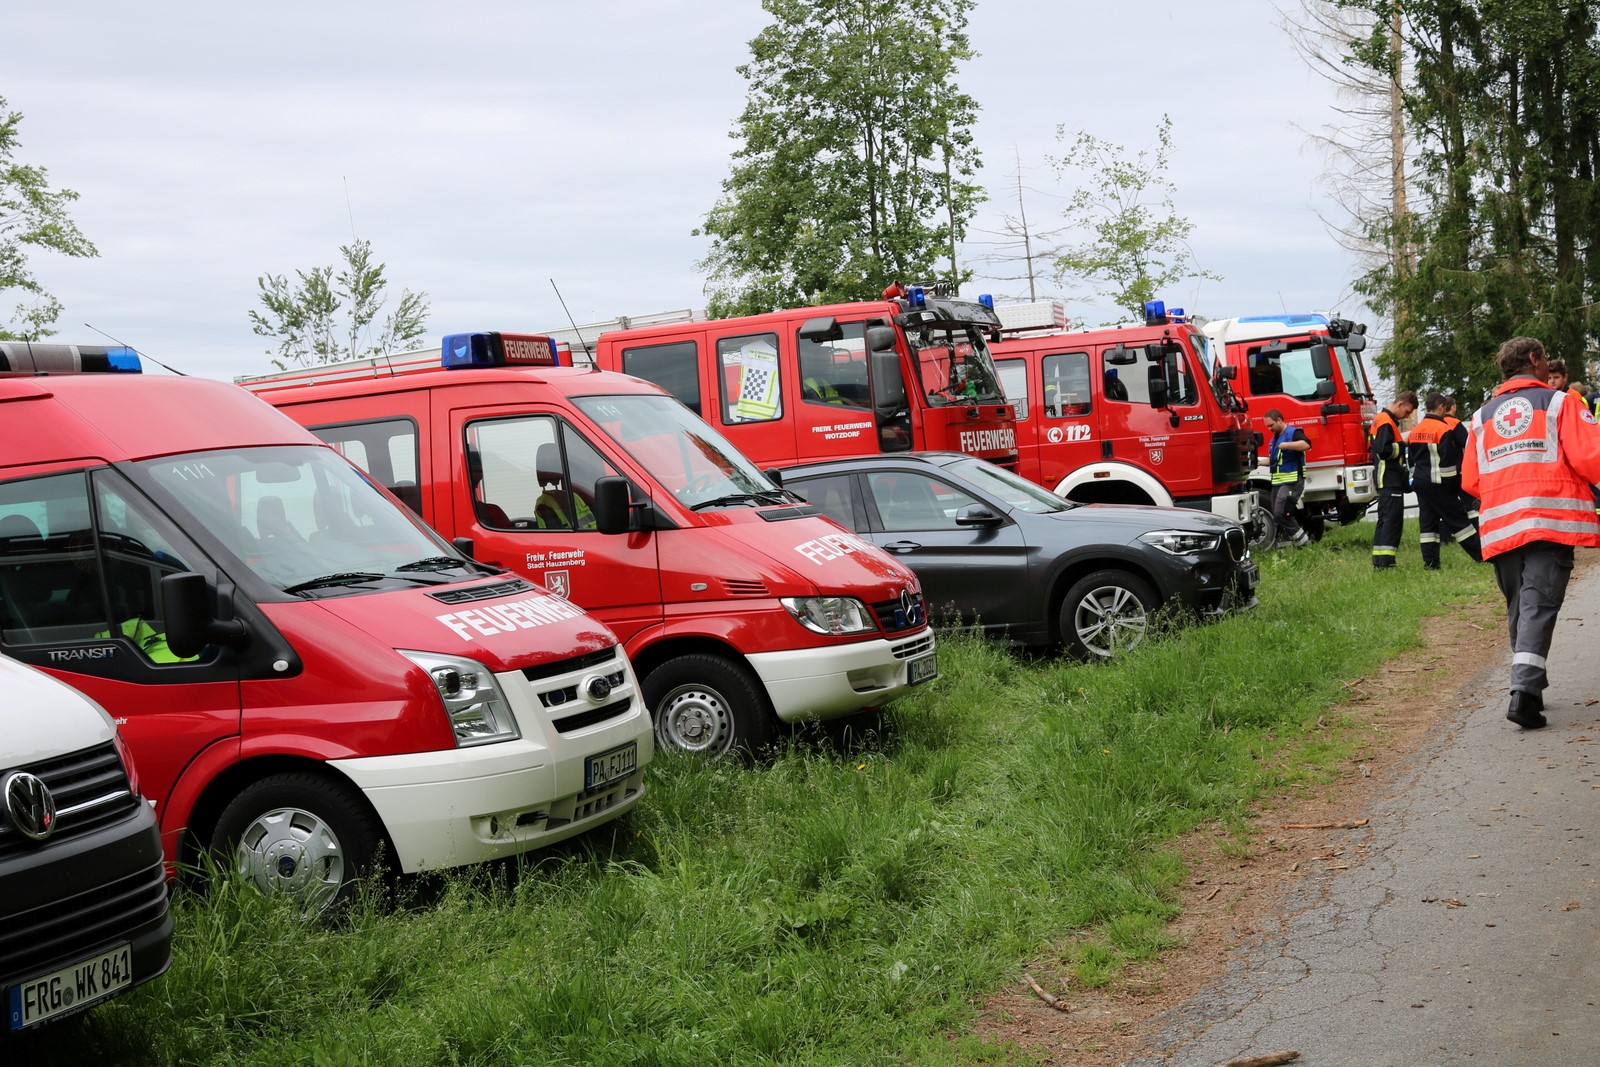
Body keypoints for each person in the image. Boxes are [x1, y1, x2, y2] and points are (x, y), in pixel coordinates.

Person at [1462, 336, 1600, 729]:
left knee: (1520, 606)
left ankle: (1531, 690)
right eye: (1545, 362)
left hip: (1500, 524)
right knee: (1538, 605)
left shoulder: (1481, 416)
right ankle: (1522, 693)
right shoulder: (1559, 402)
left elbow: (1472, 479)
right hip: (1548, 519)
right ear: (1535, 360)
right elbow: (1592, 456)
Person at [1407, 393, 1482, 569]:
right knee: (1459, 521)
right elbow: (1448, 463)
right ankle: (1482, 555)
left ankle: (1430, 563)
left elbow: (1411, 461)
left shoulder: (1415, 430)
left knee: (1428, 524)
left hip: (1420, 482)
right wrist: (1452, 486)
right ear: (1441, 407)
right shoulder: (1443, 429)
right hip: (1439, 484)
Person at [1369, 390, 1417, 568]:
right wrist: (1401, 444)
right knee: (1392, 522)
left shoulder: (1382, 420)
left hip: (1386, 479)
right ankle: (1386, 563)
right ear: (1400, 404)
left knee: (1385, 521)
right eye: (1407, 412)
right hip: (1389, 479)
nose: (1407, 416)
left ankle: (1380, 561)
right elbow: (1384, 451)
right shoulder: (1385, 422)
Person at [1263, 409, 1311, 547]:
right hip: (1278, 482)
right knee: (1277, 515)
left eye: (1271, 425)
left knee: (1281, 513)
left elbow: (1307, 444)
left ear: (1279, 420)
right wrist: (1259, 462)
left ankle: (1304, 542)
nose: (1269, 429)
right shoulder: (1274, 439)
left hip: (1292, 481)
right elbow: (1274, 461)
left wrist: (1288, 445)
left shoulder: (1293, 433)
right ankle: (1287, 542)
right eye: (1267, 426)